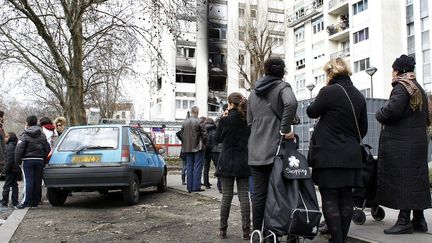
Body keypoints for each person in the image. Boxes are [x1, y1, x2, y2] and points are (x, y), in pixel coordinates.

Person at [307, 58, 367, 243]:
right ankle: (340, 239)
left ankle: (338, 240)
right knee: (346, 199)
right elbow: (363, 129)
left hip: (328, 156)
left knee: (330, 199)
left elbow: (311, 112)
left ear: (330, 73)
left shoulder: (328, 92)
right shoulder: (358, 95)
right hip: (351, 155)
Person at [376, 54, 431, 234]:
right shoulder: (418, 88)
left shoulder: (402, 87)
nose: (392, 73)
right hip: (417, 142)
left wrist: (379, 113)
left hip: (403, 144)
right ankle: (419, 220)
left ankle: (404, 221)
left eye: (393, 70)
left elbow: (392, 111)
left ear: (398, 70)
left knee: (404, 181)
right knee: (415, 180)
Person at [247, 56, 298, 232]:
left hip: (255, 151)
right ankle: (276, 230)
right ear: (283, 71)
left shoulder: (253, 93)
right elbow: (291, 103)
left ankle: (257, 232)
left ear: (265, 70)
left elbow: (249, 122)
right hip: (276, 151)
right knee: (281, 193)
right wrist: (284, 128)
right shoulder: (283, 87)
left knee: (258, 195)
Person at [215, 92, 251, 240]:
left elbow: (216, 139)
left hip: (227, 162)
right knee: (244, 196)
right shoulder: (247, 120)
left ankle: (223, 229)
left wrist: (222, 118)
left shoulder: (225, 120)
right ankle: (246, 230)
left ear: (230, 104)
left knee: (227, 196)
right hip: (243, 161)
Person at [15, 115, 50, 209]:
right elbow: (47, 147)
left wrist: (17, 161)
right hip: (39, 160)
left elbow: (19, 149)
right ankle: (36, 201)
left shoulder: (25, 134)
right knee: (37, 181)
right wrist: (44, 159)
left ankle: (26, 202)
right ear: (36, 122)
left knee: (28, 181)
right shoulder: (42, 134)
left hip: (27, 160)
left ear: (28, 123)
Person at [180, 106, 207, 193]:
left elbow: (181, 134)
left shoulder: (184, 122)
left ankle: (189, 187)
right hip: (198, 146)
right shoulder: (200, 121)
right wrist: (204, 143)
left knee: (189, 166)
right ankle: (196, 186)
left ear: (191, 112)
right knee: (197, 167)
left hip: (187, 147)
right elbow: (205, 135)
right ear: (197, 112)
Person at [1, 132, 20, 207]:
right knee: (14, 185)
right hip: (16, 169)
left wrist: (5, 170)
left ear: (10, 138)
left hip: (11, 169)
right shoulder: (16, 144)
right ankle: (15, 201)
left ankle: (4, 201)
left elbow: (10, 160)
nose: (5, 138)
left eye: (6, 137)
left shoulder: (10, 146)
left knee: (7, 186)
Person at [202, 117, 221, 190]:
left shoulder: (203, 129)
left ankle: (206, 183)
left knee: (206, 167)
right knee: (218, 167)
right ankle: (220, 185)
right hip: (214, 151)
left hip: (206, 150)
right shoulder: (215, 129)